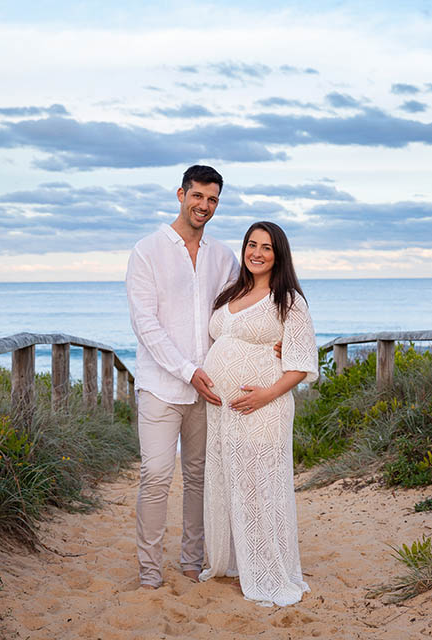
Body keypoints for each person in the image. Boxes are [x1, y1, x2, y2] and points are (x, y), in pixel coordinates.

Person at [125, 165, 239, 589]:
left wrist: (276, 343)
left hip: (208, 388)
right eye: (198, 197)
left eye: (212, 200)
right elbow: (145, 324)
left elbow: (235, 317)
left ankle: (192, 559)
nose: (204, 206)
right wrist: (188, 371)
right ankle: (150, 573)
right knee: (155, 474)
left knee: (198, 477)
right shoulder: (147, 251)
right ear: (181, 194)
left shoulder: (223, 256)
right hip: (161, 385)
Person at [198, 220, 318, 607]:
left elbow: (300, 364)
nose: (257, 253)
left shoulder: (289, 301)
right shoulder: (232, 292)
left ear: (278, 254)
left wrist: (265, 395)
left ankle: (267, 570)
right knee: (230, 481)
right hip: (224, 411)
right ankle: (234, 562)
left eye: (267, 247)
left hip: (264, 408)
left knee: (261, 487)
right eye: (252, 244)